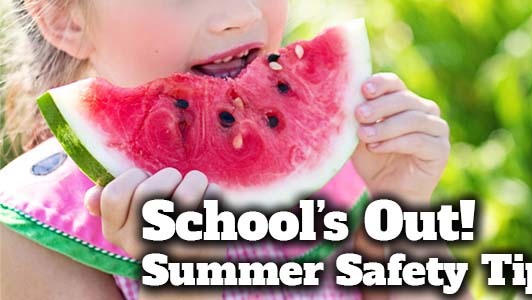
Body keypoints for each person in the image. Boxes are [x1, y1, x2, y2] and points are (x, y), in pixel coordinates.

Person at [0, 1, 461, 299]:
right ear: (65, 17)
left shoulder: (337, 170)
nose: (240, 14)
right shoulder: (30, 241)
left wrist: (400, 203)